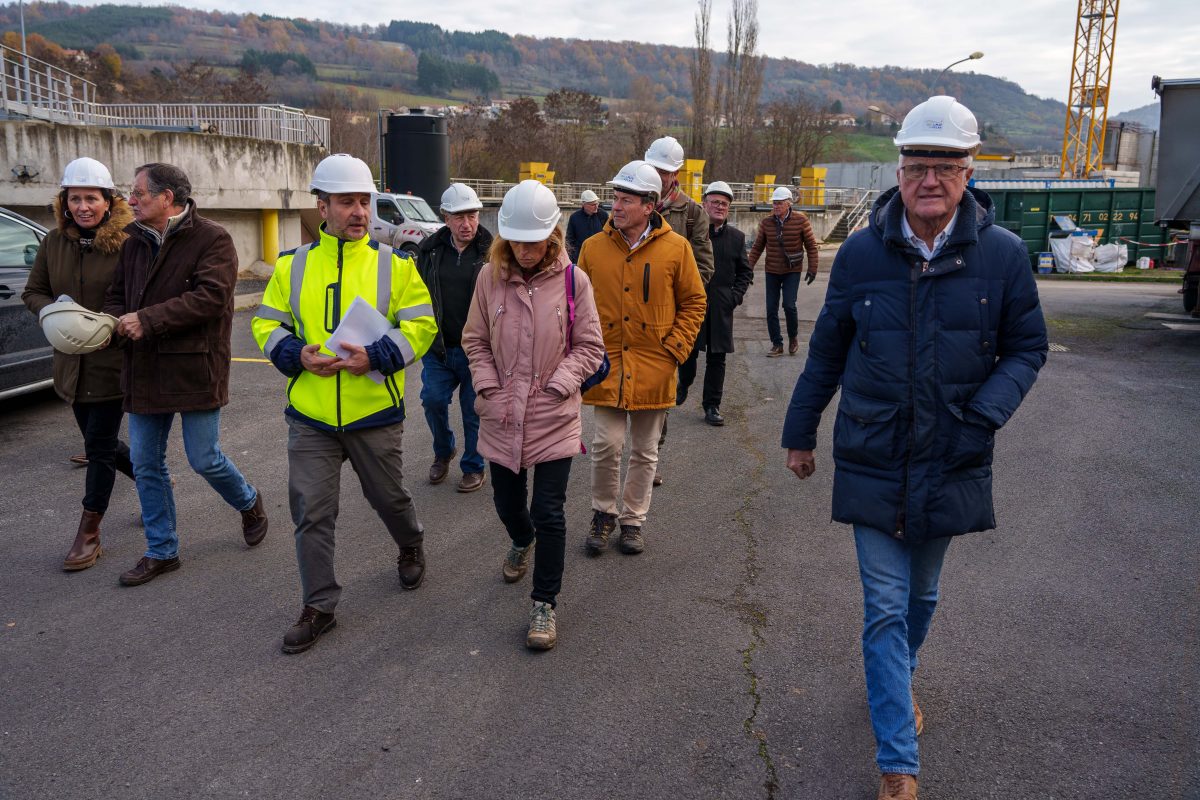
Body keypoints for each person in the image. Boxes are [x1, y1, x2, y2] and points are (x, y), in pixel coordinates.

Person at [781, 96, 1048, 800]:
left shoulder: (1004, 256)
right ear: (899, 171)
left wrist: (984, 415)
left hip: (953, 454)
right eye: (916, 165)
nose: (929, 179)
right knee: (886, 607)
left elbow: (1028, 348)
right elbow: (828, 350)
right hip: (873, 451)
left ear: (969, 171)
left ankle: (897, 679)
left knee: (922, 597)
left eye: (944, 166)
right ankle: (898, 763)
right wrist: (799, 433)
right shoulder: (864, 252)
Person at [252, 154, 437, 654]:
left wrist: (376, 355)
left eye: (364, 201)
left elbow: (422, 326)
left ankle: (410, 541)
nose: (359, 211)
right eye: (347, 202)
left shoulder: (396, 265)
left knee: (389, 499)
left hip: (372, 411)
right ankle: (319, 605)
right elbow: (266, 324)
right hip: (310, 415)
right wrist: (295, 354)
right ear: (323, 206)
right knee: (311, 511)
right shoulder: (292, 266)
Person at [103, 162, 268, 587]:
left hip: (196, 366)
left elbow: (211, 298)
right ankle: (162, 550)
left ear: (167, 198)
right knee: (145, 461)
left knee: (204, 458)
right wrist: (111, 322)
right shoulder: (132, 242)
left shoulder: (212, 238)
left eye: (138, 193)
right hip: (144, 368)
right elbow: (117, 295)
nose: (130, 199)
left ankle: (249, 502)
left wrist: (148, 319)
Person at [462, 181, 605, 650]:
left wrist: (562, 383)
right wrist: (487, 384)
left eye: (533, 240)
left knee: (550, 511)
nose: (524, 250)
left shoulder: (573, 281)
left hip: (553, 413)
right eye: (517, 240)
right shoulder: (488, 278)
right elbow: (475, 340)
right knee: (507, 504)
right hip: (502, 411)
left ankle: (544, 603)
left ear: (553, 234)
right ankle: (520, 539)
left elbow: (590, 347)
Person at [578, 160, 706, 556]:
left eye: (625, 199)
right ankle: (603, 513)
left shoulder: (676, 248)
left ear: (649, 206)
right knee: (605, 444)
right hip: (606, 365)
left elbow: (694, 302)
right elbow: (574, 305)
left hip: (655, 366)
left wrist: (674, 351)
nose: (615, 206)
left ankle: (633, 520)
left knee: (645, 450)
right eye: (615, 198)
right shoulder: (593, 248)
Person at [22, 157, 135, 571]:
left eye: (92, 198)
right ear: (64, 202)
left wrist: (110, 323)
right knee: (98, 442)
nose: (83, 206)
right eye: (75, 198)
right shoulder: (54, 242)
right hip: (71, 364)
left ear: (109, 200)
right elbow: (34, 291)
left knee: (99, 446)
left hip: (113, 360)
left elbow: (140, 297)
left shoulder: (130, 242)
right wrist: (55, 311)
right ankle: (150, 479)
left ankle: (89, 533)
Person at [416, 182, 492, 493]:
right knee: (432, 400)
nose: (467, 224)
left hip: (477, 351)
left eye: (472, 215)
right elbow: (417, 294)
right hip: (439, 349)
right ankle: (444, 449)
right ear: (445, 218)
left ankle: (473, 467)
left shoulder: (492, 252)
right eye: (459, 217)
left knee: (474, 411)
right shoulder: (430, 251)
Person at [676, 181, 753, 427]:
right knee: (687, 354)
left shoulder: (737, 238)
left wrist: (734, 297)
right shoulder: (693, 234)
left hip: (721, 307)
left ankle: (712, 405)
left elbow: (745, 273)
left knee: (717, 359)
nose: (720, 207)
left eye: (724, 204)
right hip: (692, 304)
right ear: (705, 204)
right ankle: (684, 383)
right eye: (715, 202)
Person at [747, 186, 820, 357]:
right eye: (774, 203)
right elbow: (757, 247)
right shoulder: (766, 223)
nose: (776, 207)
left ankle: (793, 338)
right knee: (771, 309)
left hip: (792, 270)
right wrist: (748, 269)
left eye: (779, 204)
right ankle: (777, 344)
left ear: (788, 204)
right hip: (771, 270)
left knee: (788, 305)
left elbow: (811, 246)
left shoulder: (801, 221)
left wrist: (813, 269)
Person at [565, 189, 607, 263]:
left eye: (597, 203)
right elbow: (569, 240)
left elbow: (610, 235)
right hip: (580, 257)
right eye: (593, 204)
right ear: (584, 204)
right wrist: (571, 259)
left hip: (599, 257)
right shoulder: (574, 217)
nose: (596, 206)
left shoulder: (603, 215)